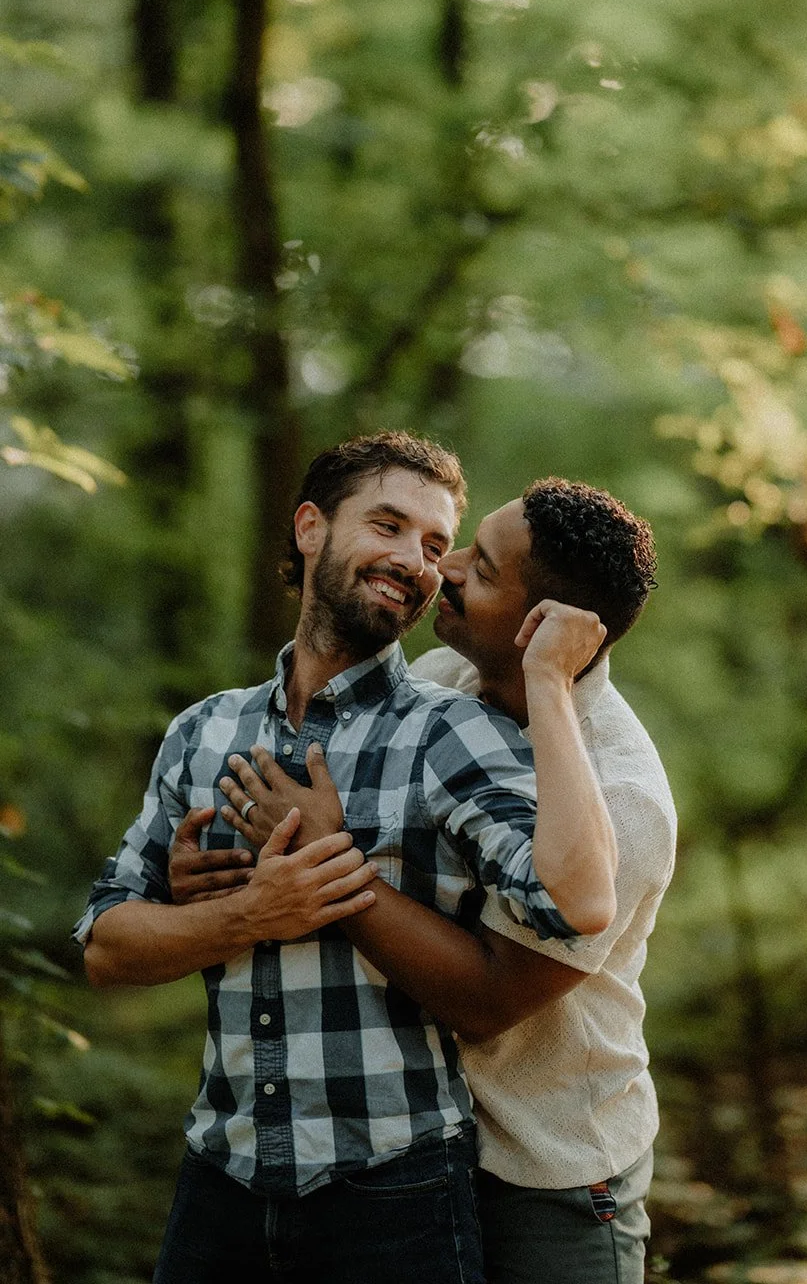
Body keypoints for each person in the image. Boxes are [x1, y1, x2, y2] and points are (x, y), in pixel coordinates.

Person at [74, 433, 620, 1284]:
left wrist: (546, 681)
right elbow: (105, 947)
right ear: (309, 528)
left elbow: (574, 903)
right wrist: (244, 916)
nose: (415, 561)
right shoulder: (203, 732)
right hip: (218, 1181)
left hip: (396, 1190)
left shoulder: (449, 733)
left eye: (436, 547)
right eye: (389, 526)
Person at [198, 477, 676, 1284]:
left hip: (540, 1165)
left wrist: (331, 860)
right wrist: (210, 869)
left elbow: (486, 1002)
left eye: (480, 568)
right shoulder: (444, 684)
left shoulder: (621, 799)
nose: (442, 568)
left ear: (541, 630)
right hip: (404, 1144)